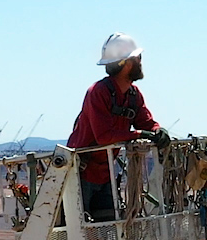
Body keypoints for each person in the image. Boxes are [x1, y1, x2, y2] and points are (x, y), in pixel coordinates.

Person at [67, 33, 170, 221]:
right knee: (76, 233)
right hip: (81, 174)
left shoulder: (132, 94)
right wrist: (138, 134)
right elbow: (104, 137)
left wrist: (157, 130)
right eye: (138, 58)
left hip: (104, 175)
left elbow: (145, 121)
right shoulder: (98, 92)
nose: (141, 62)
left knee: (106, 233)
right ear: (127, 64)